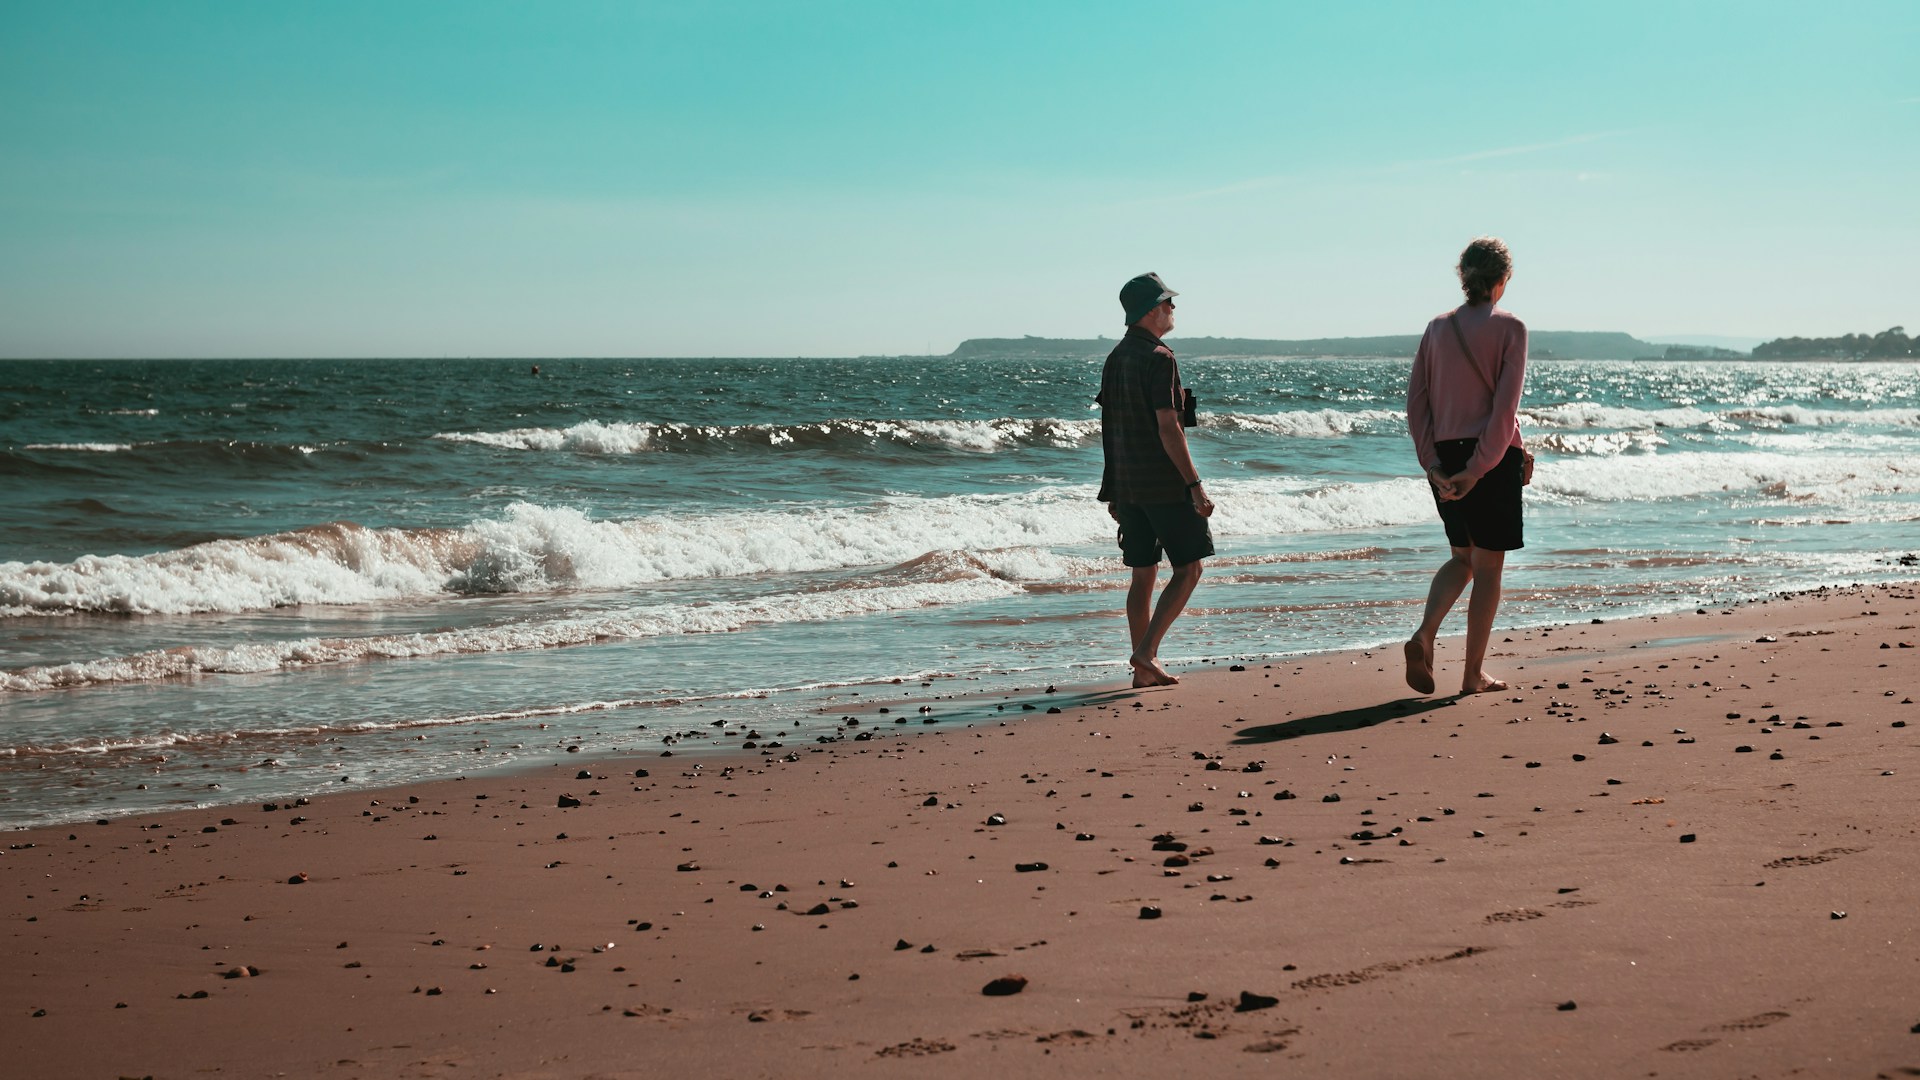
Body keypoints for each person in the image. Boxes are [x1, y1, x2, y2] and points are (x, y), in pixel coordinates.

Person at [1403, 237, 1529, 696]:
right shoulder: (1511, 329)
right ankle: (1472, 674)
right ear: (1502, 280)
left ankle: (1425, 633)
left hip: (1446, 455)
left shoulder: (1436, 328)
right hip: (1490, 459)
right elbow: (1503, 409)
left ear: (1463, 277)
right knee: (1488, 568)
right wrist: (1479, 468)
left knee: (1462, 558)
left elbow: (1416, 404)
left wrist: (1433, 464)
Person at [1097, 272, 1215, 688]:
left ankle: (1143, 671)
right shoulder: (1160, 357)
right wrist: (1194, 484)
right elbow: (1170, 428)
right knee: (1190, 569)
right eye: (1167, 302)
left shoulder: (1116, 358)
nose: (1173, 308)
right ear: (1150, 310)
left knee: (1143, 574)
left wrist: (1111, 488)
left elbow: (1110, 427)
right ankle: (1146, 654)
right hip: (1163, 485)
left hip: (1128, 485)